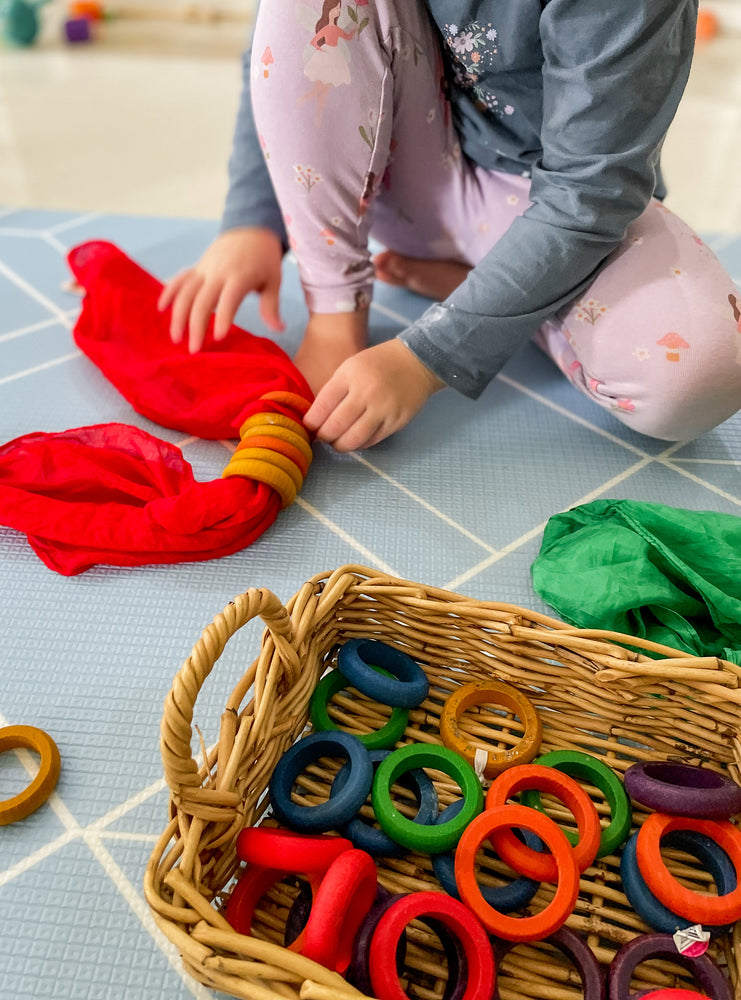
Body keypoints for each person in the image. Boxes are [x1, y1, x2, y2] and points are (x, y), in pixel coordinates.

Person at [158, 0, 741, 452]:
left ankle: (480, 287)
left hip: (556, 211)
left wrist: (426, 359)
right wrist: (251, 220)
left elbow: (590, 192)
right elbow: (295, 35)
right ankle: (338, 314)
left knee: (702, 373)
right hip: (405, 180)